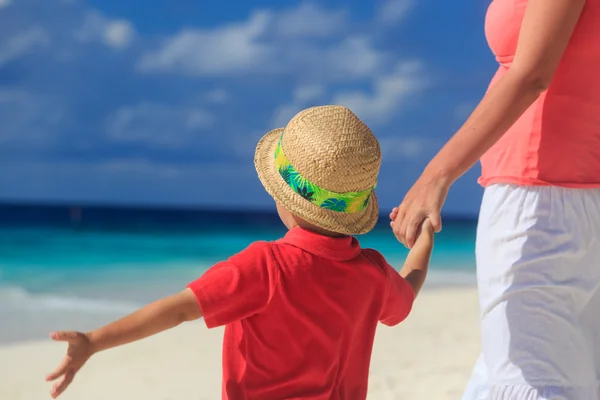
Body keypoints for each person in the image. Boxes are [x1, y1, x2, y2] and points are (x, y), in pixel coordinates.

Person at [45, 105, 435, 400]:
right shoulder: (372, 273)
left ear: (286, 199)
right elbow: (408, 290)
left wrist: (94, 341)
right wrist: (423, 238)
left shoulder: (267, 266)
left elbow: (180, 309)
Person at [390, 0, 600, 398]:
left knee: (531, 379)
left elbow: (531, 74)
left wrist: (436, 176)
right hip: (574, 196)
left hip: (538, 204)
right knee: (553, 376)